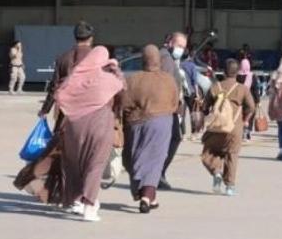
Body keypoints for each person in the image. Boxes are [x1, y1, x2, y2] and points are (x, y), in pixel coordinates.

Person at [14, 21, 95, 205]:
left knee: (60, 152)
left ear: (75, 37)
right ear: (91, 39)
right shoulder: (95, 58)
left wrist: (45, 110)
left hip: (64, 113)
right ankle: (79, 195)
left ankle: (54, 191)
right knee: (85, 155)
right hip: (88, 113)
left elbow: (53, 88)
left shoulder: (63, 58)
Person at [54, 46, 125, 222]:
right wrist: (116, 71)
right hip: (100, 126)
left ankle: (76, 201)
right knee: (95, 165)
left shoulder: (76, 78)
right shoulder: (107, 79)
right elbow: (123, 91)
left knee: (75, 164)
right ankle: (90, 207)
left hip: (74, 126)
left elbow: (59, 95)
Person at [120, 45, 178, 214]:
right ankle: (147, 196)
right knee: (155, 160)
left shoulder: (133, 80)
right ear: (158, 61)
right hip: (162, 122)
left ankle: (143, 193)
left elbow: (124, 104)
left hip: (136, 123)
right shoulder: (168, 79)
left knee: (135, 157)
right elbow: (175, 103)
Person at [200, 59, 255, 196]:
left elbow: (205, 107)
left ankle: (216, 171)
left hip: (216, 128)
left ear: (223, 71)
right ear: (237, 73)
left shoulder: (215, 87)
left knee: (208, 151)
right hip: (234, 128)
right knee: (232, 155)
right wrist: (245, 119)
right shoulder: (242, 89)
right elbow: (251, 107)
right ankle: (230, 187)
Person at [159, 31, 188, 190]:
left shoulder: (171, 59)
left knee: (174, 137)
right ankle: (158, 173)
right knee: (173, 138)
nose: (181, 50)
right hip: (166, 108)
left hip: (172, 107)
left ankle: (159, 173)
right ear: (170, 42)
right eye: (179, 46)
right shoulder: (164, 58)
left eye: (183, 47)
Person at [239, 58, 255, 139]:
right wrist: (258, 101)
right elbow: (255, 90)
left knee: (241, 115)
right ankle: (248, 132)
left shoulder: (238, 76)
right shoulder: (252, 76)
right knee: (250, 116)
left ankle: (241, 131)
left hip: (240, 99)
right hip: (250, 99)